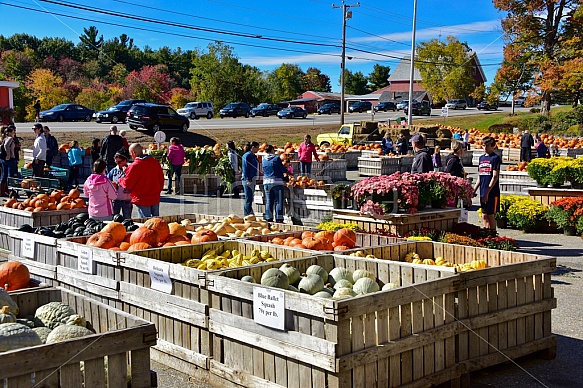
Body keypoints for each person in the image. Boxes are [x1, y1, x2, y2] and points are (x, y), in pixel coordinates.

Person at [118, 143, 165, 218]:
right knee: (157, 222)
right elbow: (161, 179)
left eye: (130, 154)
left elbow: (127, 184)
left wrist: (120, 180)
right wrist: (157, 191)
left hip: (142, 199)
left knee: (145, 224)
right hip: (155, 197)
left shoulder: (135, 166)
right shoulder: (155, 162)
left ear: (134, 153)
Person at [473, 136, 501, 231]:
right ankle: (486, 233)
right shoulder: (481, 158)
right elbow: (480, 176)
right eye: (483, 145)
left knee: (490, 215)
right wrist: (474, 189)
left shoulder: (495, 158)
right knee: (484, 215)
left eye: (487, 146)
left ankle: (493, 234)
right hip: (483, 191)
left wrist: (487, 192)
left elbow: (495, 176)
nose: (485, 148)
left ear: (492, 146)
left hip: (492, 192)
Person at [262, 144, 286, 223]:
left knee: (269, 201)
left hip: (266, 182)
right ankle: (279, 219)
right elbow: (282, 169)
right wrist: (287, 172)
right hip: (277, 181)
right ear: (272, 150)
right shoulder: (276, 158)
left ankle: (269, 218)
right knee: (278, 201)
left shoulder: (263, 159)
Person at [107, 148, 133, 219]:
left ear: (125, 160)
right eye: (116, 162)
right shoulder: (114, 171)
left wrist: (126, 173)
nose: (118, 164)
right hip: (116, 199)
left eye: (119, 162)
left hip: (127, 200)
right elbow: (107, 181)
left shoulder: (131, 169)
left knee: (127, 219)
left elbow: (132, 181)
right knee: (114, 219)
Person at [241, 141, 259, 216]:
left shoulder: (253, 156)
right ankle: (247, 214)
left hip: (252, 177)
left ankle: (249, 213)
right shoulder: (247, 156)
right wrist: (248, 178)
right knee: (248, 197)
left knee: (250, 197)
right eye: (257, 147)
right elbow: (245, 167)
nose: (258, 149)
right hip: (248, 178)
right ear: (253, 147)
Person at [0, 126, 17, 196]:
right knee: (10, 175)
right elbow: (6, 146)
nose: (14, 133)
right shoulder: (10, 138)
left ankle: (2, 191)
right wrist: (8, 155)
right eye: (13, 132)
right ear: (9, 133)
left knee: (4, 175)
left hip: (3, 159)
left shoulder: (4, 138)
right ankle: (11, 191)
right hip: (10, 159)